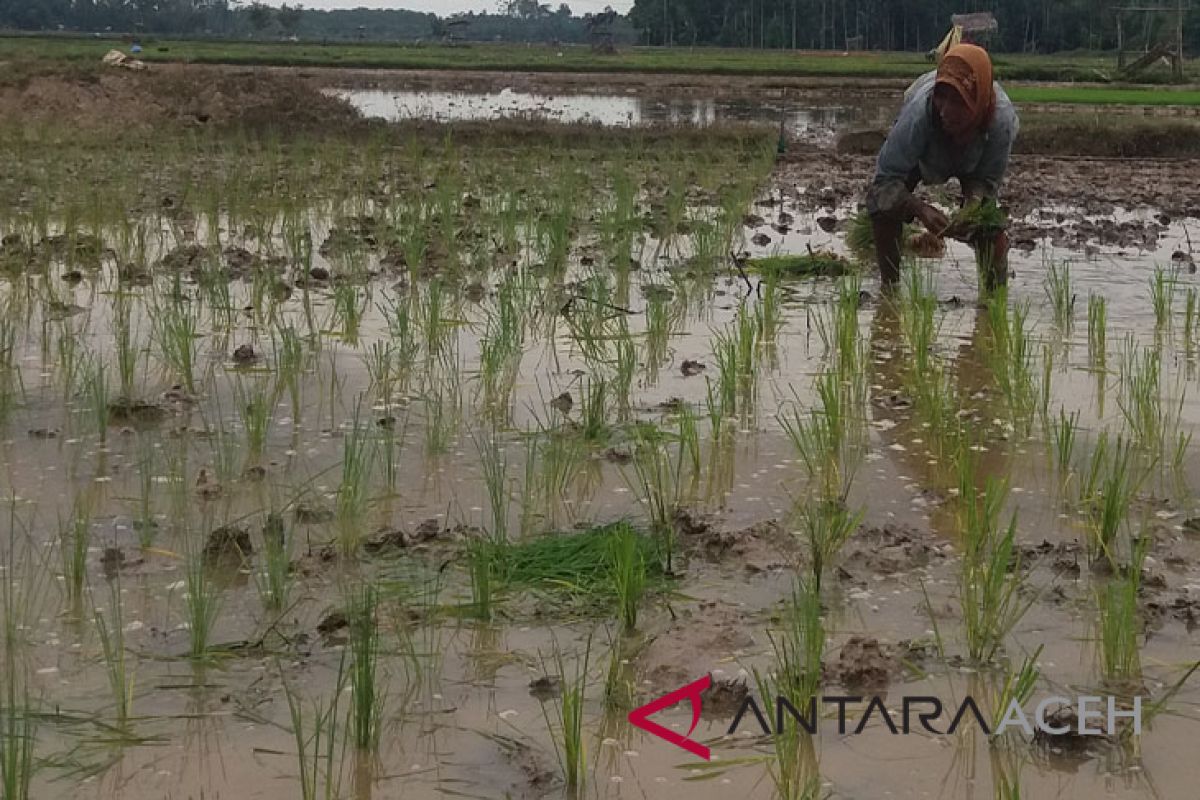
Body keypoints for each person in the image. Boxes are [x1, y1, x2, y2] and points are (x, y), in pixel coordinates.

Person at [866, 44, 1019, 292]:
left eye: (958, 101)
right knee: (882, 208)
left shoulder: (1000, 123)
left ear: (977, 101)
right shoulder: (920, 114)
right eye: (942, 95)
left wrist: (972, 205)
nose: (946, 110)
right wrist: (919, 209)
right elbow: (884, 180)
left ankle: (993, 303)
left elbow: (986, 183)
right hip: (924, 151)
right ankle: (889, 291)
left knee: (988, 224)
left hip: (974, 160)